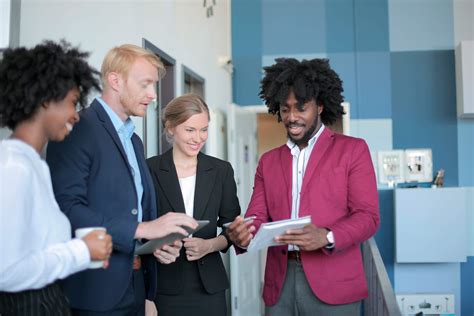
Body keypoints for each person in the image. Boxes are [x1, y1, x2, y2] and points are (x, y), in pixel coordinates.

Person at [46, 44, 198, 315]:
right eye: (145, 84)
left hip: (137, 287)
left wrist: (156, 245)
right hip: (94, 292)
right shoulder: (78, 128)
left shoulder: (134, 141)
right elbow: (65, 208)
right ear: (115, 80)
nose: (153, 95)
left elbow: (131, 208)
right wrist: (144, 230)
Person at [227, 58, 380, 316]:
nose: (292, 117)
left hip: (334, 283)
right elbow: (258, 216)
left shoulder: (353, 150)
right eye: (285, 109)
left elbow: (368, 217)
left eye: (301, 108)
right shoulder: (269, 161)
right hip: (280, 284)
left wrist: (326, 236)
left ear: (319, 106)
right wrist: (244, 233)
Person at [0, 40, 113, 315]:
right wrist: (81, 251)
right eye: (73, 103)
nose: (76, 115)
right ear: (45, 99)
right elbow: (6, 271)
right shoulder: (15, 167)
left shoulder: (34, 164)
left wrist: (87, 252)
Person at [146, 94, 240, 316]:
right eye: (190, 130)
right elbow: (139, 226)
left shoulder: (221, 171)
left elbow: (232, 231)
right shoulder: (149, 169)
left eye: (204, 129)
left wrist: (209, 246)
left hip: (210, 289)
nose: (198, 138)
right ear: (170, 128)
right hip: (163, 288)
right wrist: (155, 247)